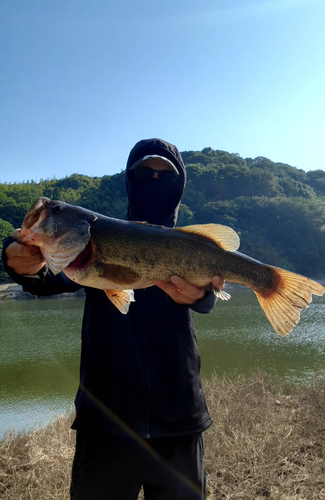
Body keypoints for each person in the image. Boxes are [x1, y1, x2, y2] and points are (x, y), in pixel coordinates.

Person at [2, 138, 225, 500]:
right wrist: (14, 259)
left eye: (164, 176)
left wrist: (203, 297)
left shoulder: (189, 245)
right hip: (106, 423)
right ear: (130, 179)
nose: (153, 180)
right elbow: (43, 279)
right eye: (144, 173)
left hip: (180, 419)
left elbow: (208, 293)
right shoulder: (91, 246)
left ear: (179, 185)